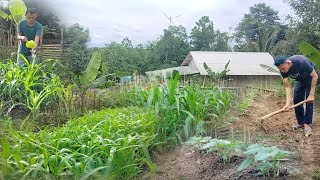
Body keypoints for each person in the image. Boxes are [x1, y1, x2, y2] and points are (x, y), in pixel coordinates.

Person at [274, 55, 318, 137]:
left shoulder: (301, 62)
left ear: (288, 63)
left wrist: (311, 95)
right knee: (296, 99)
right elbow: (287, 86)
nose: (282, 71)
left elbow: (315, 76)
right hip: (300, 80)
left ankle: (307, 124)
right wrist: (287, 103)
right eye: (280, 70)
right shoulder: (282, 69)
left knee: (309, 100)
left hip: (310, 78)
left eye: (283, 69)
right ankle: (300, 122)